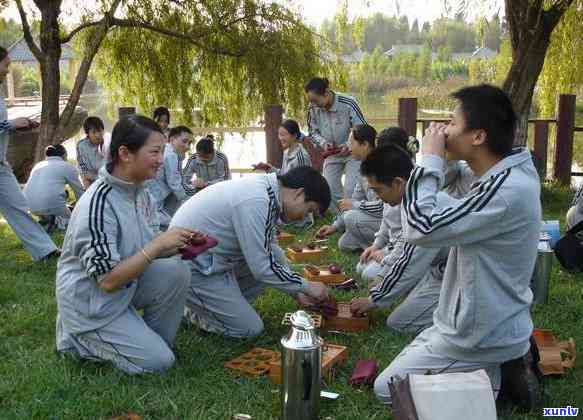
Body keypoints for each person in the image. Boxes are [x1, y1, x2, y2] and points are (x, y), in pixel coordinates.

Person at [373, 84, 543, 411]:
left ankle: (494, 386)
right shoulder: (502, 173)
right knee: (405, 365)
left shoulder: (505, 191)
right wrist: (440, 157)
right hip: (465, 321)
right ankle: (498, 368)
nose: (444, 130)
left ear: (478, 136)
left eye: (451, 123)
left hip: (481, 334)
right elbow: (447, 190)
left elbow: (419, 228)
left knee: (388, 390)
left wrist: (431, 159)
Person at [56, 115, 200, 374]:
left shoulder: (139, 191)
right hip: (92, 304)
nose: (161, 160)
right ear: (125, 153)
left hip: (122, 288)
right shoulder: (98, 204)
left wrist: (179, 244)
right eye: (155, 152)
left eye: (162, 152)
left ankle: (152, 341)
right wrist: (158, 246)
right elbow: (108, 280)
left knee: (177, 270)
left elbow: (146, 245)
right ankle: (76, 338)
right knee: (159, 364)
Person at [170, 167, 332, 338]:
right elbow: (262, 268)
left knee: (270, 263)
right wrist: (307, 286)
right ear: (299, 193)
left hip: (212, 262)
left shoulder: (268, 193)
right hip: (191, 267)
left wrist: (297, 291)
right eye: (309, 210)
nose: (305, 218)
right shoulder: (257, 200)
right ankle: (191, 312)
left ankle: (215, 308)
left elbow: (271, 253)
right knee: (249, 329)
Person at [349, 145, 448, 334]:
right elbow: (404, 247)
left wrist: (374, 300)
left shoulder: (425, 205)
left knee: (399, 322)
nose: (378, 197)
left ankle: (457, 317)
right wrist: (384, 275)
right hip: (438, 270)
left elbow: (409, 262)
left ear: (397, 183)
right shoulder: (412, 199)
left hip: (461, 277)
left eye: (378, 191)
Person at [0, 46, 59, 262]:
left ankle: (46, 251)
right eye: (5, 64)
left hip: (1, 165)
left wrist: (17, 125)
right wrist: (9, 124)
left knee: (18, 205)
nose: (8, 70)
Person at [357, 127, 416, 281]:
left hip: (407, 251)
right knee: (361, 267)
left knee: (369, 274)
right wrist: (376, 246)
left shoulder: (411, 191)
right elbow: (386, 220)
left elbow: (408, 239)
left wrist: (387, 258)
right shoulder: (386, 180)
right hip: (393, 245)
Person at [316, 124, 383, 252]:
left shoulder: (380, 167)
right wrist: (334, 226)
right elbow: (356, 198)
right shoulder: (363, 167)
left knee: (350, 217)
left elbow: (382, 207)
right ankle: (371, 245)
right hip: (372, 218)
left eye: (351, 142)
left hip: (386, 220)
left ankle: (381, 246)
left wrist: (355, 205)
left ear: (365, 144)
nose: (348, 147)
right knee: (344, 244)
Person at [305, 77, 367, 214]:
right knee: (329, 189)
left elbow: (362, 128)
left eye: (315, 100)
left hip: (353, 153)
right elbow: (312, 132)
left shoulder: (348, 102)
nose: (313, 105)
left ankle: (352, 219)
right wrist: (323, 143)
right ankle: (340, 220)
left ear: (326, 93)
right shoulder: (312, 108)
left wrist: (348, 145)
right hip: (331, 154)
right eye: (311, 101)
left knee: (351, 188)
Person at [23, 144, 84, 232]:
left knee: (61, 195)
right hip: (51, 204)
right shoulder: (66, 166)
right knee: (75, 221)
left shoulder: (38, 165)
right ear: (64, 154)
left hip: (31, 207)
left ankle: (48, 219)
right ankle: (56, 221)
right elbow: (80, 193)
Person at [147, 126, 194, 229]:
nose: (187, 146)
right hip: (154, 208)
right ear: (172, 140)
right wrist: (195, 199)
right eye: (184, 141)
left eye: (190, 143)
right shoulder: (172, 155)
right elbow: (177, 186)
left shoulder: (167, 152)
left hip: (152, 204)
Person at [77, 116, 105, 189]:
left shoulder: (109, 143)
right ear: (87, 133)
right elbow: (84, 171)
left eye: (100, 131)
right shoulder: (82, 146)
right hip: (92, 181)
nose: (97, 135)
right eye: (94, 132)